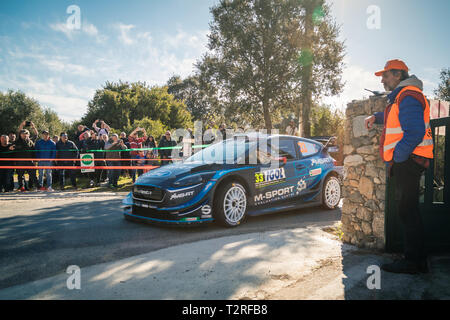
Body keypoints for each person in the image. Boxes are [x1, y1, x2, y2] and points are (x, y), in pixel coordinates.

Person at [364, 59, 433, 274]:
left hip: (408, 162)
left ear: (397, 75)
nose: (383, 80)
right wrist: (375, 117)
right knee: (408, 210)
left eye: (385, 75)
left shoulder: (408, 95)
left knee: (407, 211)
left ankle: (413, 262)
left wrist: (399, 157)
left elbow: (414, 132)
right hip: (409, 161)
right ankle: (417, 260)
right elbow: (394, 117)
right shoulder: (402, 97)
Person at [13, 127, 39, 191]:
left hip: (29, 161)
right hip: (20, 161)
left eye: (26, 133)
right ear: (20, 134)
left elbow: (33, 152)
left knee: (33, 175)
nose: (24, 135)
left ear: (28, 134)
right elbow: (13, 150)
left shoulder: (30, 141)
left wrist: (35, 160)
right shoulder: (16, 142)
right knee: (20, 175)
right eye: (23, 133)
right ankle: (21, 187)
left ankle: (38, 186)